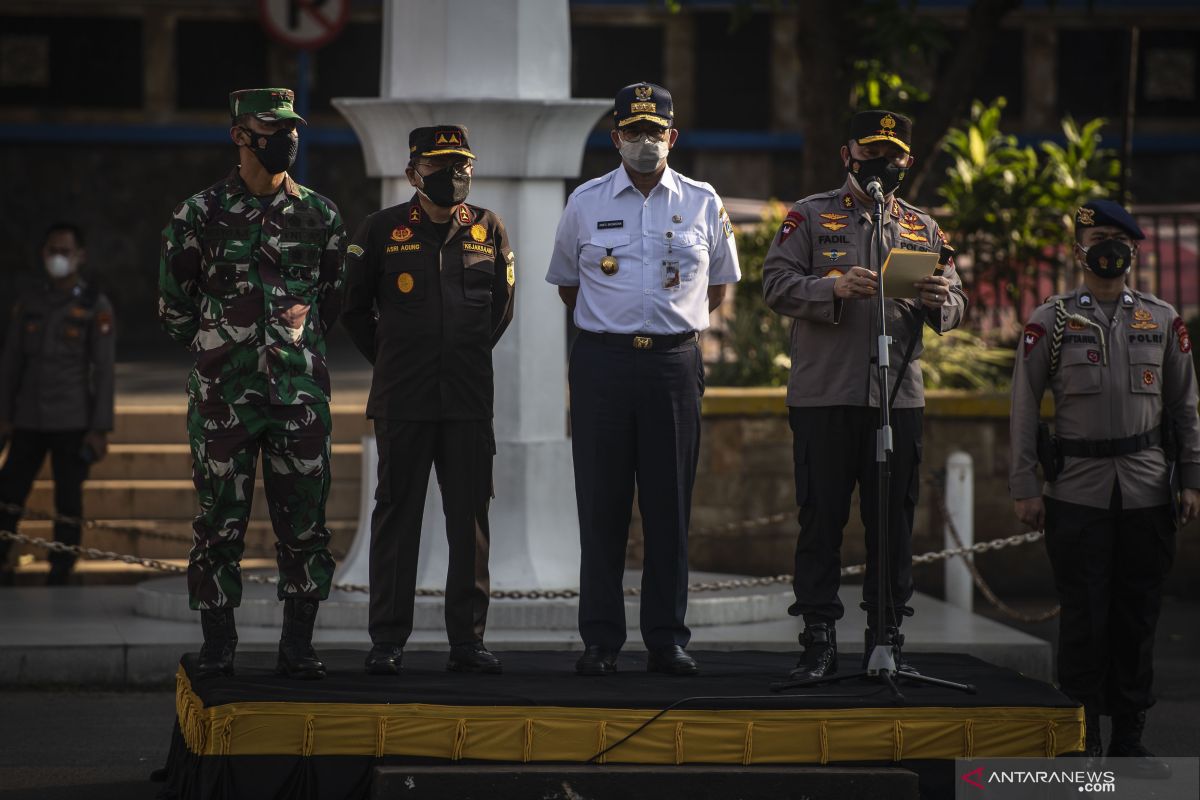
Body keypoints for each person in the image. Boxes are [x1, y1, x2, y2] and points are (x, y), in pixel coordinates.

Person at [762, 110, 967, 681]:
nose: (885, 160)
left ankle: (886, 638)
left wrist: (936, 300)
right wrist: (831, 286)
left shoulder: (922, 227)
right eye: (873, 149)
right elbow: (775, 284)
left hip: (896, 397)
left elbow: (956, 303)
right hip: (825, 395)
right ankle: (820, 640)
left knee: (893, 524)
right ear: (849, 152)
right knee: (821, 519)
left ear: (909, 160)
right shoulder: (808, 215)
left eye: (895, 152)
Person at [546, 82, 741, 676]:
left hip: (673, 366)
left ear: (672, 137)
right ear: (615, 138)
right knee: (601, 506)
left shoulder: (705, 201)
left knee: (668, 507)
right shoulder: (584, 201)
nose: (645, 142)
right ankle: (601, 641)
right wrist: (615, 326)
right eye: (633, 132)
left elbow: (717, 287)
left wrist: (664, 330)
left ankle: (666, 638)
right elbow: (568, 285)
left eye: (655, 132)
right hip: (603, 364)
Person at [158, 88, 345, 679]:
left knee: (307, 525)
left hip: (300, 397)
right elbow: (173, 302)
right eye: (273, 127)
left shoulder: (320, 213)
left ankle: (298, 646)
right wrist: (219, 347)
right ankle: (219, 646)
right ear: (241, 134)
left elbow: (332, 298)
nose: (287, 137)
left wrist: (297, 350)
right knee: (218, 525)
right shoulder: (199, 213)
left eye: (293, 127)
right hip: (223, 399)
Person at [1010, 200, 1198, 777]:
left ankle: (1131, 738)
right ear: (1077, 250)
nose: (1108, 247)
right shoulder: (1053, 319)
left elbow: (1185, 405)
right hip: (1076, 493)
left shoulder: (1162, 319)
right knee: (1086, 617)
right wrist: (1025, 484)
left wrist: (1191, 477)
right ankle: (1083, 733)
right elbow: (1022, 404)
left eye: (1118, 238)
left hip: (1146, 491)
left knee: (1138, 616)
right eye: (1097, 238)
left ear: (1135, 249)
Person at [341, 125, 515, 676]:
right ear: (414, 173)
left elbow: (499, 310)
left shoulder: (489, 228)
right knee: (398, 517)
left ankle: (467, 641)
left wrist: (456, 356)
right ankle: (388, 640)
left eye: (462, 165)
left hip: (466, 400)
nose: (453, 176)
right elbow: (353, 310)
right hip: (404, 399)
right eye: (440, 167)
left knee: (470, 522)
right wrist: (397, 359)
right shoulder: (381, 230)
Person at [0, 223, 115, 585]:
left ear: (80, 256)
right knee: (8, 493)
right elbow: (11, 364)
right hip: (29, 418)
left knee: (68, 501)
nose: (58, 258)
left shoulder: (94, 305)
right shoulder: (30, 302)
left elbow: (104, 371)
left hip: (71, 419)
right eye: (52, 250)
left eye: (65, 251)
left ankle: (62, 567)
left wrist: (99, 428)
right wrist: (4, 415)